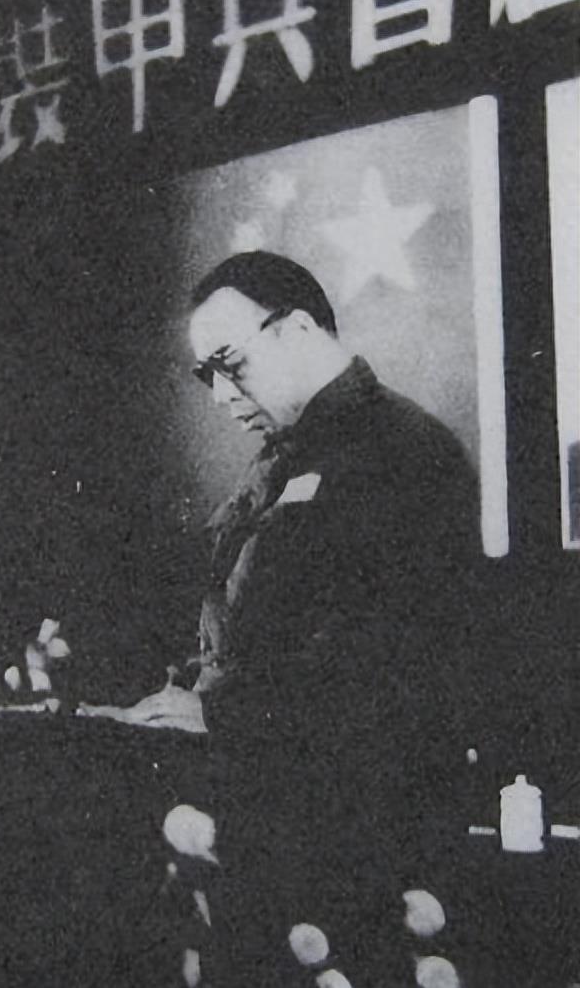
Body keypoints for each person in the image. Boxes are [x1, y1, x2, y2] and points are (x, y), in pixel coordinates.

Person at [82, 251, 483, 985]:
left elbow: (386, 665)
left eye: (229, 364)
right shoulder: (282, 466)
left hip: (360, 858)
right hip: (266, 836)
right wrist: (178, 696)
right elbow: (257, 633)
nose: (219, 395)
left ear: (298, 328)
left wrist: (217, 711)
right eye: (205, 375)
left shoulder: (404, 454)